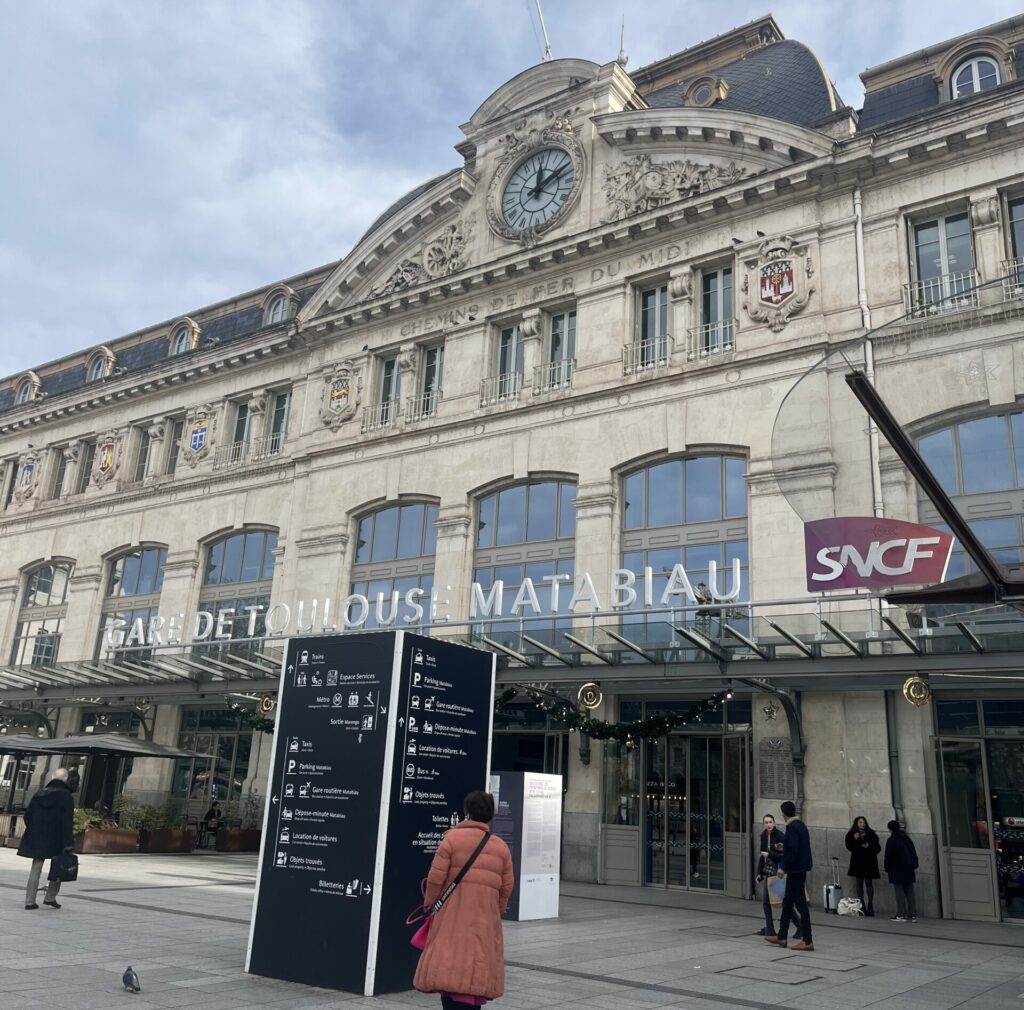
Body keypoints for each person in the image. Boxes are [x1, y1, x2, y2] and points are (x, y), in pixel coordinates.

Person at [415, 789, 514, 1008]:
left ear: (467, 812)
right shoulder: (500, 847)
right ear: (491, 815)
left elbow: (435, 878)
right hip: (484, 920)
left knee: (449, 966)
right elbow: (506, 887)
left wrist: (430, 904)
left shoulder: (451, 839)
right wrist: (494, 911)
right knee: (475, 971)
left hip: (452, 914)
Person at [17, 767, 75, 910]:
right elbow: (67, 821)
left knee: (36, 867)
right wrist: (68, 842)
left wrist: (34, 829)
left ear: (52, 778)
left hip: (38, 836)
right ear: (66, 779)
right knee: (58, 866)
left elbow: (27, 815)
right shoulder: (66, 796)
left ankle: (29, 901)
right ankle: (50, 897)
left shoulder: (39, 793)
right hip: (57, 837)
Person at [765, 800, 813, 951]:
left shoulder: (791, 827)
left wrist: (783, 867)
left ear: (784, 814)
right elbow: (796, 847)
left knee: (801, 906)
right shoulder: (801, 825)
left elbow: (793, 851)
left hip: (795, 871)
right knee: (787, 903)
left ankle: (807, 940)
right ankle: (782, 936)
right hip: (800, 869)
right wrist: (784, 847)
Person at [756, 813, 804, 941]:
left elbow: (783, 855)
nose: (768, 825)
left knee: (783, 902)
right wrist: (759, 873)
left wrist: (770, 853)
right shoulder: (763, 836)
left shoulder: (780, 836)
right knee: (766, 902)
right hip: (768, 871)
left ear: (774, 823)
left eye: (770, 822)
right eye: (766, 822)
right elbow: (762, 856)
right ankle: (770, 929)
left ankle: (800, 926)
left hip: (778, 872)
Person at [844, 815, 881, 916]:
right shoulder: (851, 834)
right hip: (858, 862)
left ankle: (870, 904)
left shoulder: (871, 834)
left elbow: (878, 848)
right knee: (859, 883)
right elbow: (849, 846)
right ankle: (862, 905)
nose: (862, 824)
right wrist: (854, 839)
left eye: (863, 822)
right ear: (856, 823)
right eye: (860, 822)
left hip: (869, 862)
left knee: (869, 883)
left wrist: (869, 846)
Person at [884, 820, 919, 922]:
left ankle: (901, 914)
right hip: (908, 868)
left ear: (889, 829)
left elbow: (888, 856)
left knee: (899, 891)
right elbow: (913, 852)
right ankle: (912, 915)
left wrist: (887, 868)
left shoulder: (891, 840)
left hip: (896, 869)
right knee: (909, 891)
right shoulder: (907, 839)